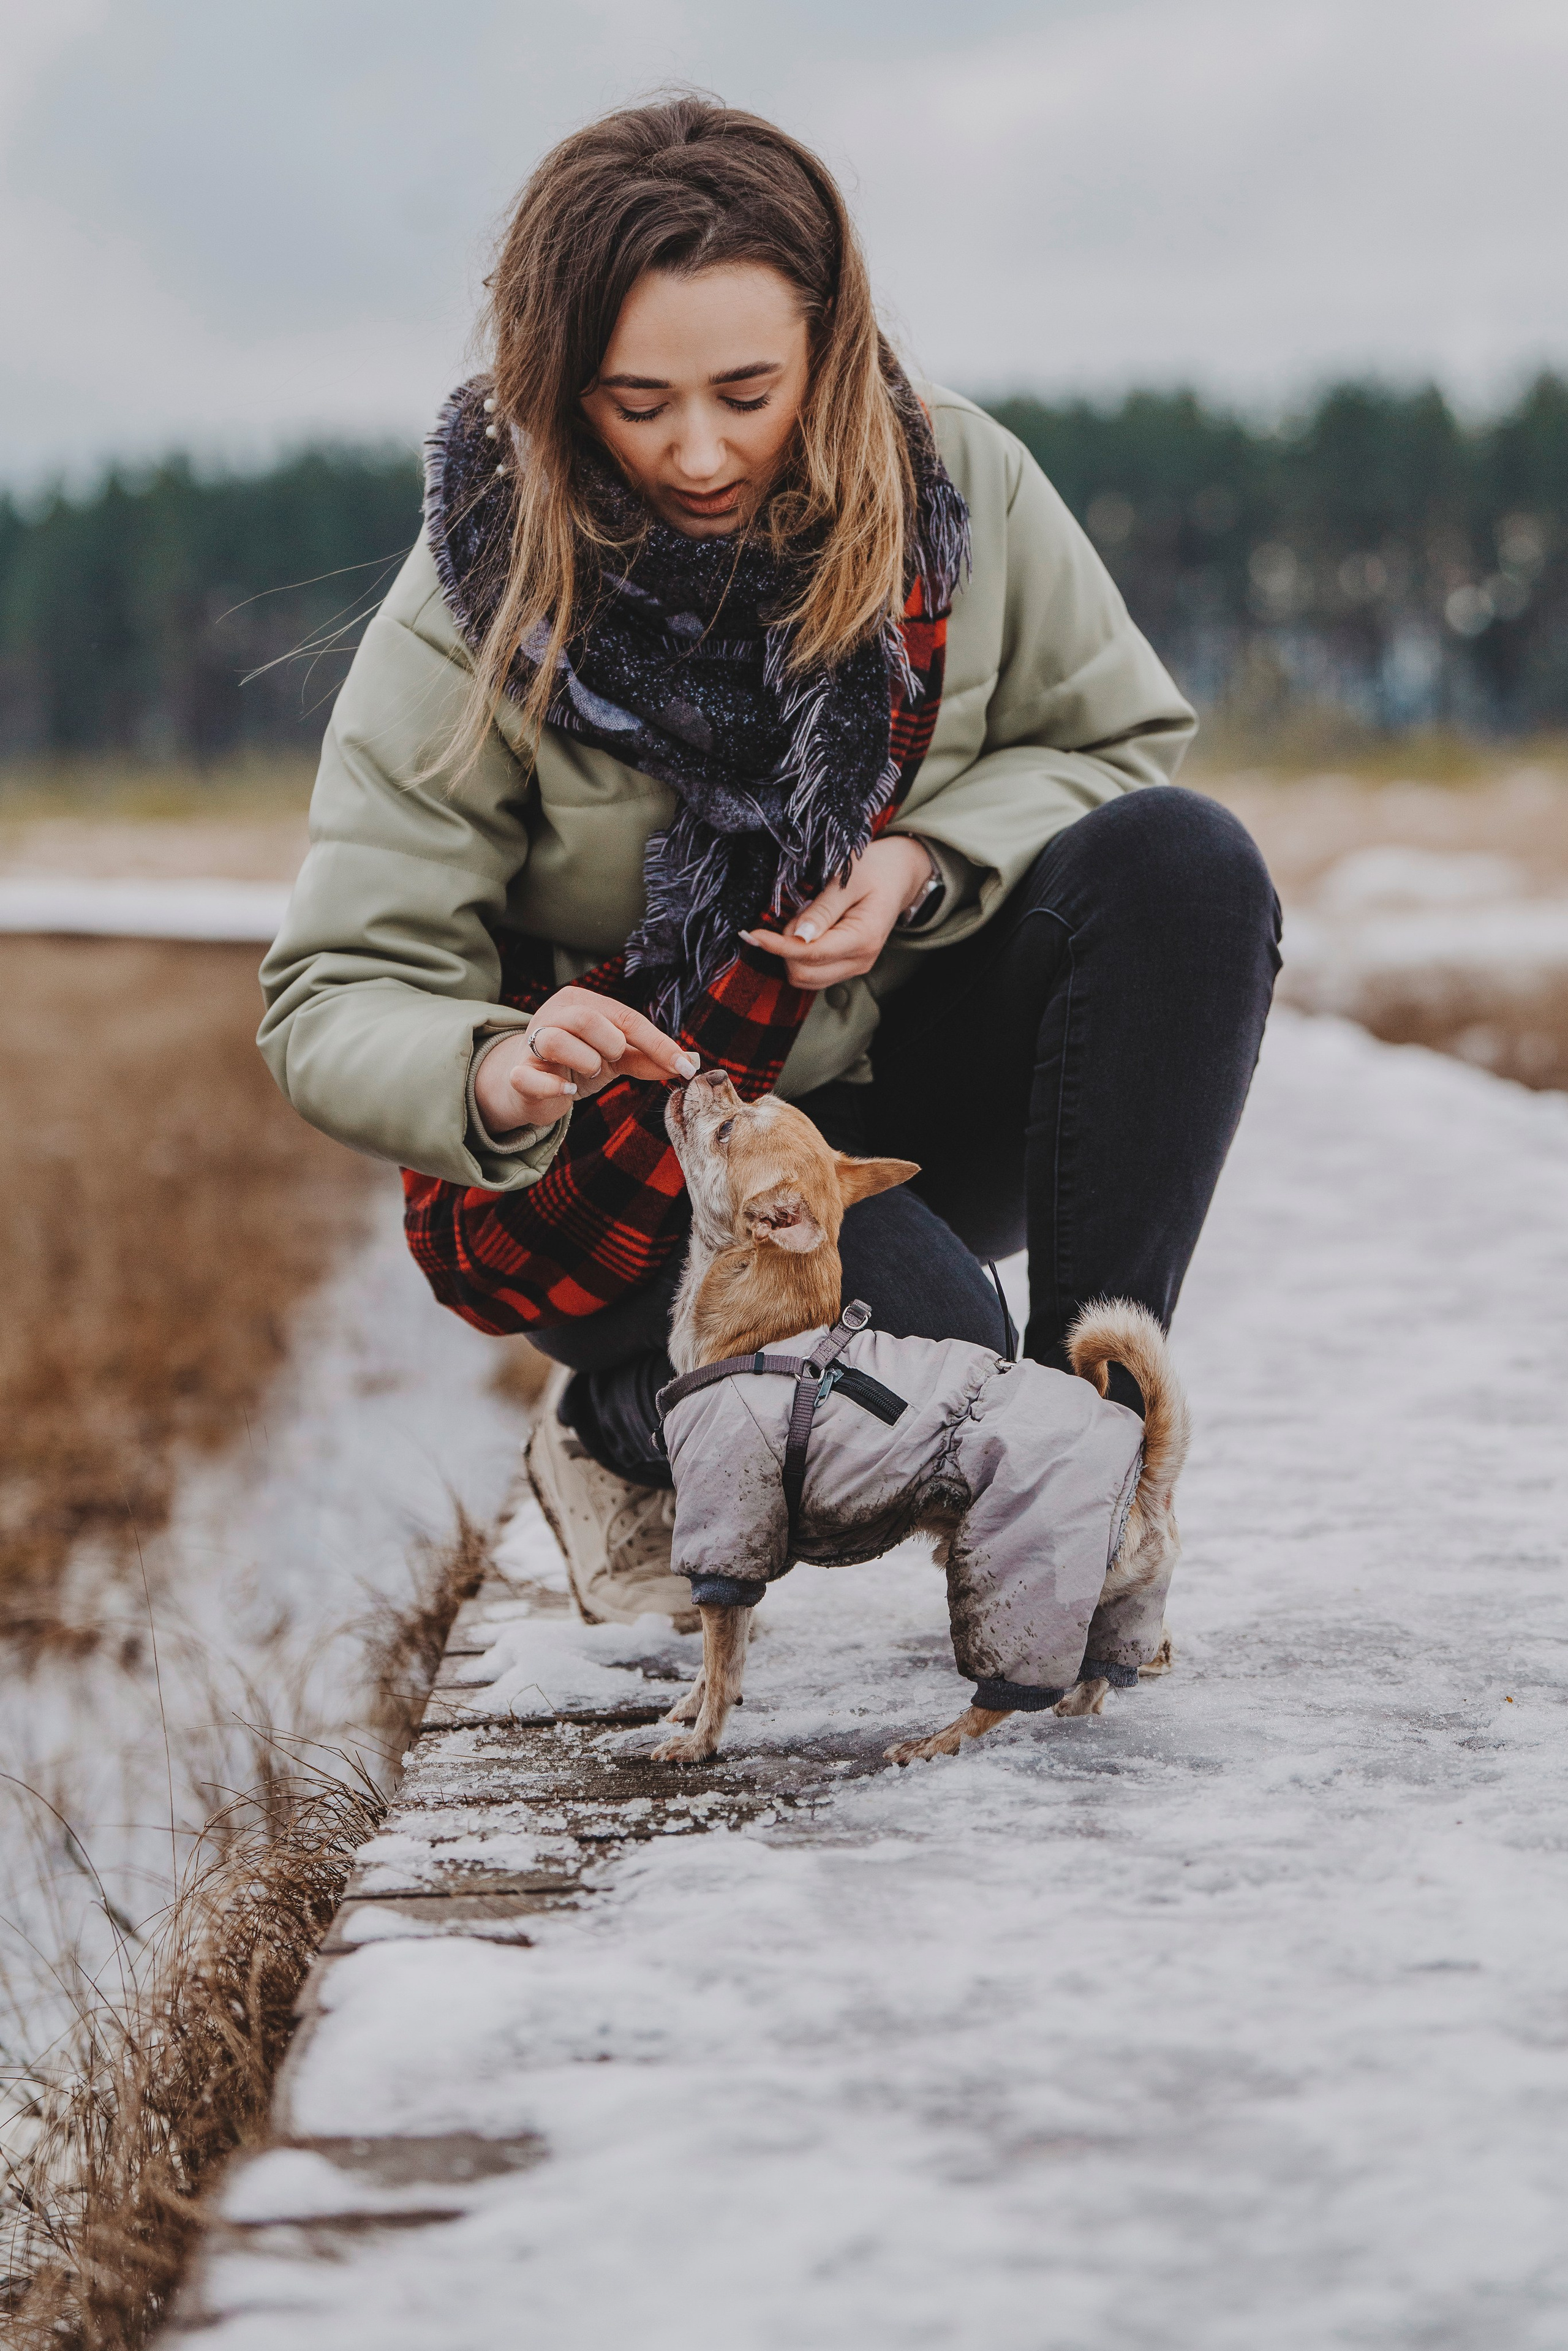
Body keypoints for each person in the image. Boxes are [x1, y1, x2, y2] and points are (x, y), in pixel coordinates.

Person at [259, 96, 1279, 1631]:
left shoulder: (963, 485)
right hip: (649, 1155)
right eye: (635, 402)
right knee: (915, 1367)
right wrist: (496, 1065)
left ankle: (1085, 1473)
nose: (697, 451)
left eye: (747, 391)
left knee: (1187, 863)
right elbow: (333, 988)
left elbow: (1115, 741)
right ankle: (622, 1426)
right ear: (557, 387)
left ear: (828, 341)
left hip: (910, 1089)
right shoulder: (478, 592)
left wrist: (925, 861)